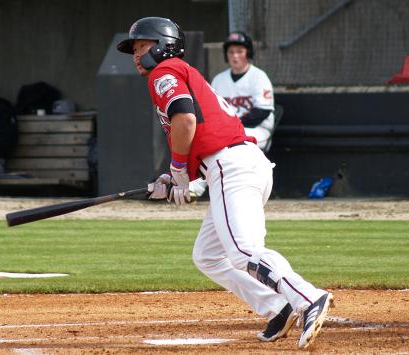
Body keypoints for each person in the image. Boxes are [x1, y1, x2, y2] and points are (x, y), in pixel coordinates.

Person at [117, 17, 333, 349]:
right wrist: (171, 176)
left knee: (243, 250)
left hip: (231, 167)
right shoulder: (181, 72)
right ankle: (278, 305)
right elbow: (197, 133)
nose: (136, 54)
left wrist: (177, 171)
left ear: (164, 45)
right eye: (134, 48)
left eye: (143, 45)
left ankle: (308, 296)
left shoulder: (164, 72)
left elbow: (185, 119)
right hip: (238, 164)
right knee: (208, 255)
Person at [190, 31, 275, 198]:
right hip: (230, 132)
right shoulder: (219, 80)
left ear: (248, 53)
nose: (235, 56)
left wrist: (232, 126)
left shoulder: (258, 77)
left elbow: (262, 112)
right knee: (206, 141)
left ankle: (199, 187)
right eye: (231, 52)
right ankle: (194, 186)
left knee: (222, 144)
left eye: (240, 51)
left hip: (257, 130)